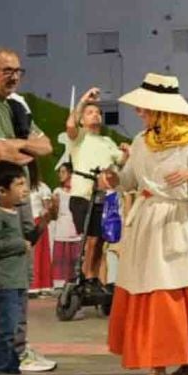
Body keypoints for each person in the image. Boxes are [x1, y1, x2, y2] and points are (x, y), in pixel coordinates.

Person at [109, 73, 188, 375]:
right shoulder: (142, 142)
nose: (140, 112)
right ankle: (159, 362)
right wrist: (114, 178)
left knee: (175, 291)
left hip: (178, 220)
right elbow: (129, 181)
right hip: (147, 221)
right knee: (148, 290)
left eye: (146, 107)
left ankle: (171, 361)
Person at [0, 48, 55, 374]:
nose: (13, 77)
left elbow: (46, 146)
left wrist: (16, 147)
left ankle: (15, 351)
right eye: (6, 70)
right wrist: (20, 146)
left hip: (19, 201)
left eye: (18, 71)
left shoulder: (15, 105)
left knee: (19, 280)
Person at [0, 162, 44, 375]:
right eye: (18, 184)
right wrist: (19, 244)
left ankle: (11, 371)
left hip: (17, 280)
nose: (24, 189)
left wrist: (45, 221)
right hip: (4, 282)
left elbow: (30, 240)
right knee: (6, 329)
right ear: (1, 191)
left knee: (14, 327)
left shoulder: (15, 213)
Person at [61, 89, 123, 291]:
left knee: (100, 241)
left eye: (97, 112)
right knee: (90, 239)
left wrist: (128, 153)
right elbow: (70, 124)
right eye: (90, 113)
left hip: (102, 196)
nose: (95, 114)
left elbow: (121, 162)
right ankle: (86, 277)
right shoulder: (79, 137)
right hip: (81, 194)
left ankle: (94, 277)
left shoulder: (107, 142)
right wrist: (83, 102)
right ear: (82, 120)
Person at [48, 162, 82, 288]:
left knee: (75, 256)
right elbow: (54, 214)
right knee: (62, 256)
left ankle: (75, 281)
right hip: (62, 227)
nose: (60, 175)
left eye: (63, 172)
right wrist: (52, 207)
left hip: (75, 227)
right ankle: (60, 283)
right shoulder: (57, 191)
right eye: (59, 172)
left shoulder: (78, 191)